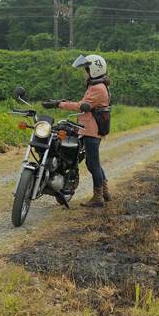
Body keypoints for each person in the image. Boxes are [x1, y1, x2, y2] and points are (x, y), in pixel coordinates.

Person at [43, 54, 111, 208]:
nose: (84, 73)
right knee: (94, 162)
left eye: (86, 70)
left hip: (91, 131)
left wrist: (59, 104)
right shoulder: (96, 86)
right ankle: (105, 192)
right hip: (88, 129)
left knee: (93, 164)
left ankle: (98, 197)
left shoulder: (98, 88)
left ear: (94, 70)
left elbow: (81, 106)